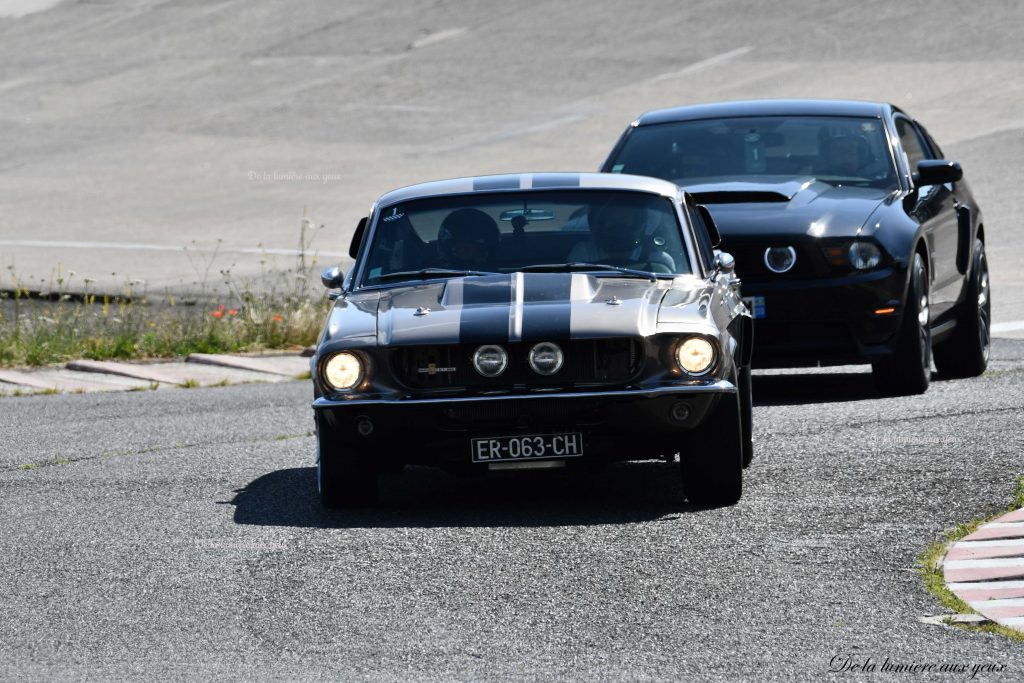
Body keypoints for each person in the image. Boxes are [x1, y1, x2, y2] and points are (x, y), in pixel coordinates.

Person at [568, 200, 675, 273]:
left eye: (624, 222)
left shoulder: (658, 260)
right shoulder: (584, 255)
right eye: (612, 222)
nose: (618, 229)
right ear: (599, 225)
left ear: (639, 224)